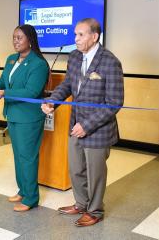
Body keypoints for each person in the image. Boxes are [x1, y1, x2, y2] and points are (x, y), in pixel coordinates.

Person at [41, 18, 124, 227]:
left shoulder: (110, 61)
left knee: (95, 173)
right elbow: (68, 84)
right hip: (74, 125)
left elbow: (114, 103)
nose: (75, 39)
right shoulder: (75, 56)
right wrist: (53, 101)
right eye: (75, 34)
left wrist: (87, 125)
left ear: (94, 37)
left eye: (80, 35)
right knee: (76, 168)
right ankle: (81, 203)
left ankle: (95, 211)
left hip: (97, 130)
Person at [0, 24, 49, 212]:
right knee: (18, 156)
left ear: (30, 39)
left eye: (20, 37)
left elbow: (32, 91)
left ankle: (31, 198)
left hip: (29, 117)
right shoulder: (11, 59)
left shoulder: (38, 63)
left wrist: (5, 92)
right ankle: (23, 190)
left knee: (27, 157)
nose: (16, 41)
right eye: (14, 37)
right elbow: (4, 79)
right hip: (12, 114)